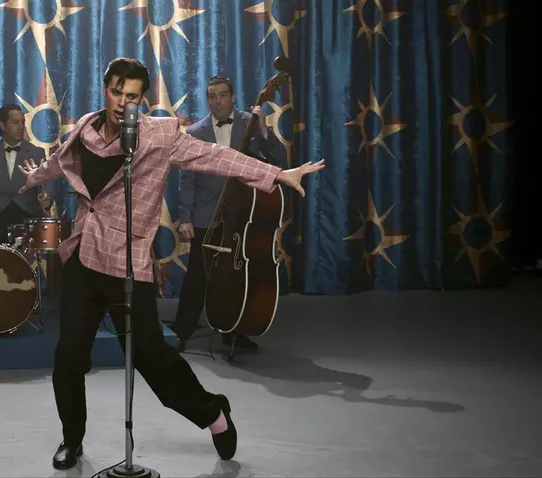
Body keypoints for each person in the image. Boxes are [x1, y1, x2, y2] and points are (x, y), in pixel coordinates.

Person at [17, 57, 324, 470]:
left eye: (132, 96)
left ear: (142, 100)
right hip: (84, 260)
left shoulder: (159, 136)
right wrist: (35, 176)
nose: (122, 102)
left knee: (152, 359)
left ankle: (213, 412)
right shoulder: (86, 127)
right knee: (69, 357)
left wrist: (274, 174)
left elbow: (213, 156)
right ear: (105, 89)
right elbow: (61, 161)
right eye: (116, 92)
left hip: (127, 265)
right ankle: (72, 439)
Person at [172, 74, 284, 353]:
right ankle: (181, 331)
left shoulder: (251, 122)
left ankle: (234, 330)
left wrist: (264, 130)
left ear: (232, 97)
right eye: (212, 96)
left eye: (222, 95)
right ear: (207, 100)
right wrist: (185, 217)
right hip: (206, 215)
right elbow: (187, 179)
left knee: (237, 277)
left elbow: (279, 160)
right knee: (197, 275)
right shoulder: (195, 132)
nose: (217, 101)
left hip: (243, 214)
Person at [0, 104, 55, 244]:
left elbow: (47, 187)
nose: (21, 127)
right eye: (15, 122)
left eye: (23, 122)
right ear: (2, 125)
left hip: (28, 215)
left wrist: (46, 199)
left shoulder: (36, 152)